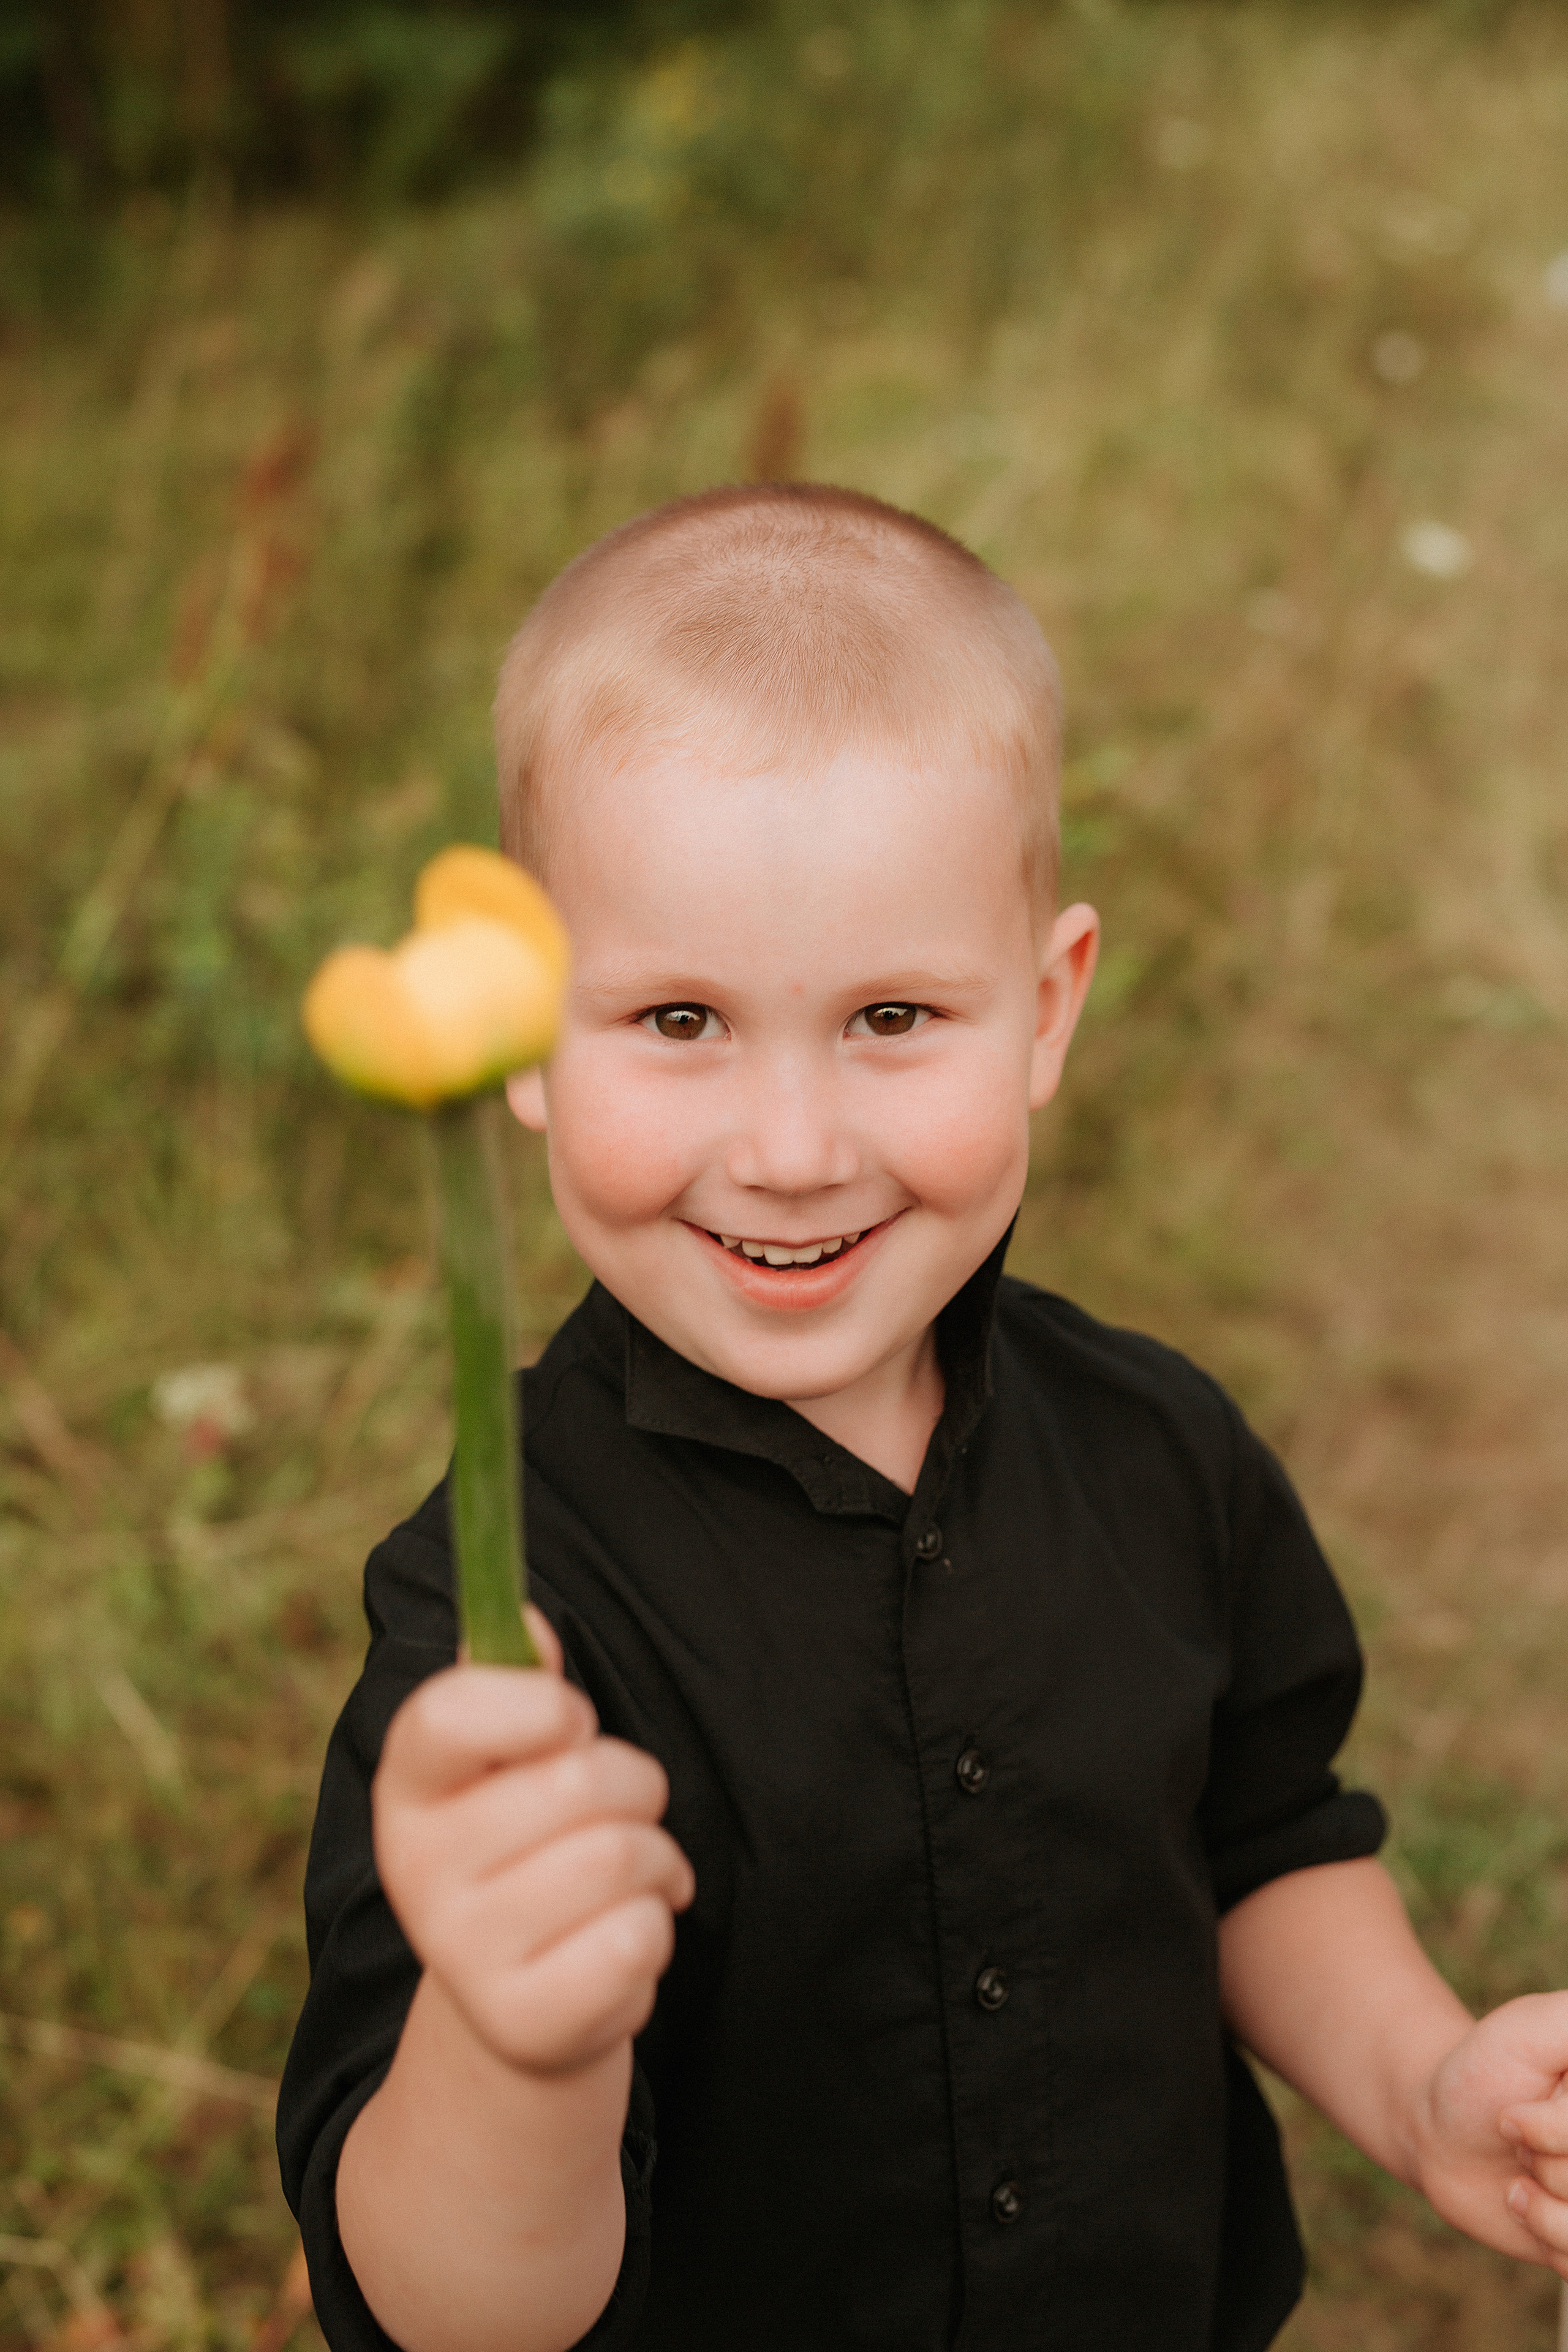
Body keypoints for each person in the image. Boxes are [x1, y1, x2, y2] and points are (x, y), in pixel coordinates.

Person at [278, 485, 1568, 2352]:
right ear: (531, 1038)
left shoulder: (1158, 1453)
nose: (793, 1154)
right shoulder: (498, 1624)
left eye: (891, 1017)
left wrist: (1425, 2081)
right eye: (678, 1022)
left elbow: (1262, 1842)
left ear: (1045, 1011)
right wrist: (519, 2044)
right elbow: (452, 2316)